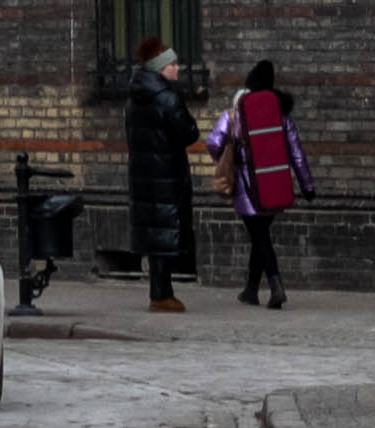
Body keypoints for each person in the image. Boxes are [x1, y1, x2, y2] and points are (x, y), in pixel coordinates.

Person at [205, 60, 305, 310]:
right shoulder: (281, 116)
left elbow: (213, 144)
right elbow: (297, 152)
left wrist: (227, 152)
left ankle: (276, 285)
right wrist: (307, 185)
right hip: (274, 185)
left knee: (259, 237)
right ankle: (250, 290)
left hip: (246, 187)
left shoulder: (235, 114)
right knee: (260, 236)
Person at [119, 43, 205, 310]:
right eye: (172, 64)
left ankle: (159, 292)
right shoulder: (166, 98)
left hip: (144, 174)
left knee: (155, 234)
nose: (177, 68)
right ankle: (161, 295)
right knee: (166, 232)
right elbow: (189, 132)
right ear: (159, 69)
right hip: (166, 173)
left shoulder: (134, 98)